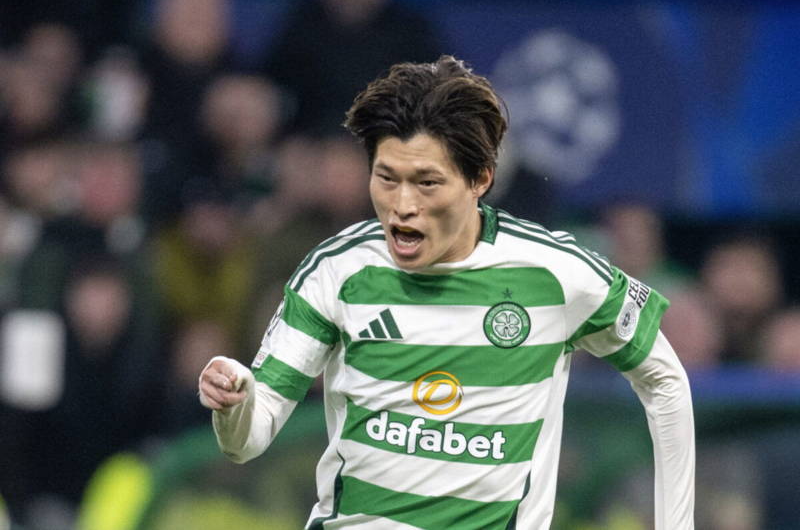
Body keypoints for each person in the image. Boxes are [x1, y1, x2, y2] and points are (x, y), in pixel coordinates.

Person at [198, 55, 695, 529]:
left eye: (427, 183)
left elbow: (665, 380)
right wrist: (236, 400)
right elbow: (249, 438)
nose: (402, 205)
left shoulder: (557, 274)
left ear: (480, 179)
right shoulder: (337, 271)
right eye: (386, 178)